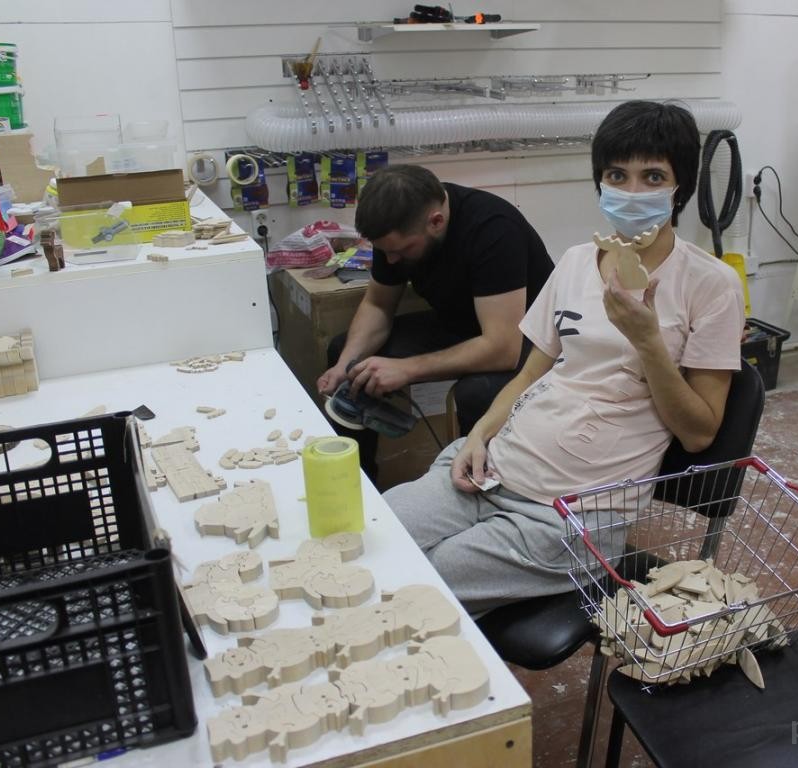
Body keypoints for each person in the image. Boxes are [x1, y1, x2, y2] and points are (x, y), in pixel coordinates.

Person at [383, 101, 747, 617]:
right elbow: (532, 372)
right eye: (617, 175)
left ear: (679, 186)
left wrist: (647, 341)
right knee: (374, 538)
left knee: (416, 590)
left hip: (572, 516)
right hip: (494, 469)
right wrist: (480, 434)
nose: (632, 191)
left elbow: (698, 433)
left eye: (653, 176)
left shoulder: (711, 285)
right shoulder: (576, 262)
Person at [316, 164, 553, 480]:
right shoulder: (397, 231)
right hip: (461, 324)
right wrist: (345, 365)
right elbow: (377, 304)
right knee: (349, 360)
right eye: (385, 251)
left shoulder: (493, 229)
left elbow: (502, 348)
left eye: (401, 250)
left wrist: (406, 369)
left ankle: (478, 487)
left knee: (477, 394)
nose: (391, 260)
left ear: (436, 221)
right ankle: (357, 482)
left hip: (528, 339)